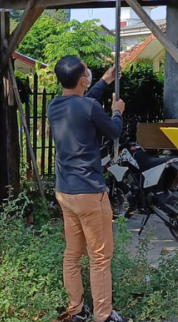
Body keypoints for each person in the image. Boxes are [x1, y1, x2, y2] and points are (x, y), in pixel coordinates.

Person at [47, 56, 128, 322]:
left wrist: (105, 80)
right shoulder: (89, 107)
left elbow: (83, 102)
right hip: (90, 193)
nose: (89, 75)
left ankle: (77, 310)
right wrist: (117, 110)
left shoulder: (54, 106)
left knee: (72, 254)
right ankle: (103, 317)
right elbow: (114, 131)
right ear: (82, 79)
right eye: (87, 73)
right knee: (100, 258)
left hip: (65, 192)